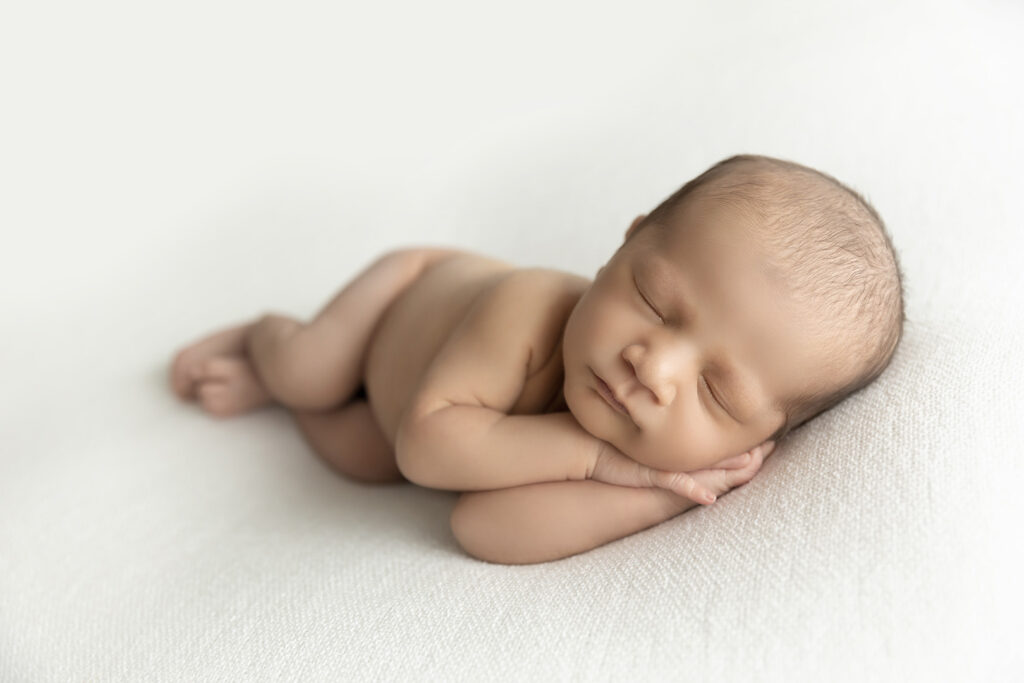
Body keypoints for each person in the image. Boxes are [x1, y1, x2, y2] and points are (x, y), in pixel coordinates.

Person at [169, 154, 905, 565]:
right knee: (316, 370)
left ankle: (296, 405)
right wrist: (600, 460)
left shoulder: (657, 456)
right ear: (629, 239)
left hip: (398, 426)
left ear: (757, 440)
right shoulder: (530, 307)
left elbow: (482, 529)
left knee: (363, 457)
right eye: (652, 299)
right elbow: (429, 446)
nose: (655, 367)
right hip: (401, 302)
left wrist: (663, 488)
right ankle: (269, 341)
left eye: (716, 392)